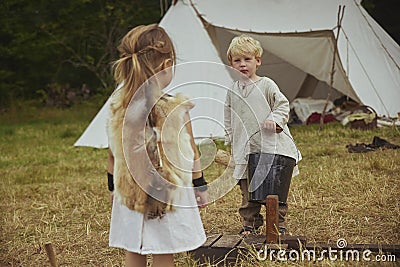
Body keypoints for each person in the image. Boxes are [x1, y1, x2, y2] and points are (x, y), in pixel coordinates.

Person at [106, 24, 208, 267]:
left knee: (134, 247)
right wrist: (200, 185)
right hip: (167, 196)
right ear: (166, 64)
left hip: (130, 193)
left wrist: (113, 188)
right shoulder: (176, 108)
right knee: (164, 251)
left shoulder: (116, 109)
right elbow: (191, 151)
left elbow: (112, 156)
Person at [224, 34, 300, 236]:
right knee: (248, 190)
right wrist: (230, 140)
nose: (242, 64)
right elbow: (229, 117)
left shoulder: (266, 84)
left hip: (270, 149)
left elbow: (283, 105)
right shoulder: (232, 90)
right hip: (246, 149)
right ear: (231, 64)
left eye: (247, 59)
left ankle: (277, 224)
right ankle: (250, 223)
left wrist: (275, 120)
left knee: (274, 187)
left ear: (258, 61)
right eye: (237, 60)